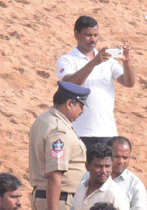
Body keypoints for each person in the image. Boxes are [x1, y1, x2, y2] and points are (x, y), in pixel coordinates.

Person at [56, 15, 136, 147]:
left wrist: (127, 63)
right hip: (78, 132)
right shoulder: (67, 60)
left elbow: (129, 83)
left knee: (105, 167)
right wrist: (94, 62)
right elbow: (69, 83)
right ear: (76, 34)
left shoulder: (108, 61)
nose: (93, 39)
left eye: (96, 35)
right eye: (88, 35)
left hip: (107, 131)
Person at [27, 81, 90, 210]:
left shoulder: (44, 119)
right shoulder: (58, 130)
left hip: (46, 197)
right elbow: (55, 174)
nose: (82, 111)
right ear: (69, 103)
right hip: (60, 201)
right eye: (80, 106)